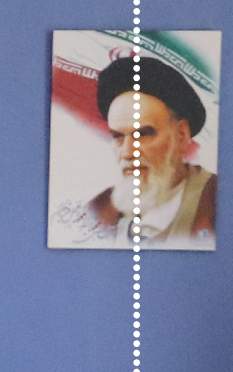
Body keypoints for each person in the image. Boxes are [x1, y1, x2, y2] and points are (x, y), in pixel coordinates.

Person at [75, 51, 217, 245]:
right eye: (118, 137)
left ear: (181, 134)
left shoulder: (218, 202)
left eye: (143, 134)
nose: (127, 152)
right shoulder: (97, 210)